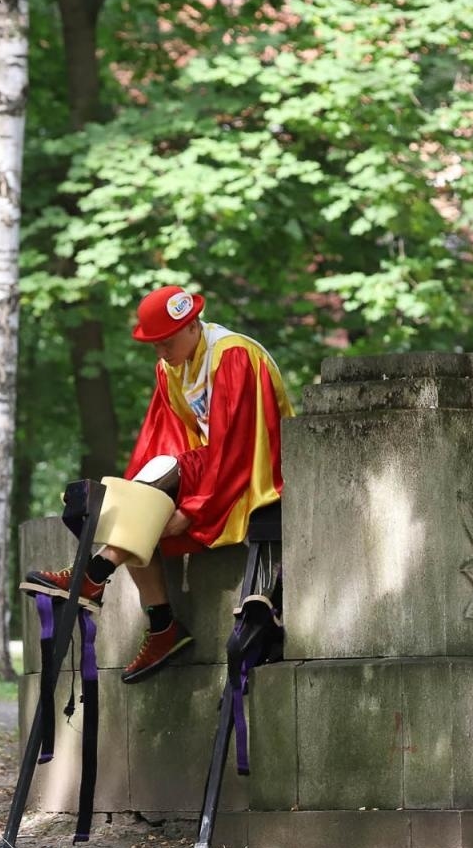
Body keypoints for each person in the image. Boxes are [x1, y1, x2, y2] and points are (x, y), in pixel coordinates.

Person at [21, 284, 294, 683]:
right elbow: (163, 437)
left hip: (257, 466)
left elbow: (241, 442)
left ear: (192, 326)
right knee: (138, 507)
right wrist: (143, 501)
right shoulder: (171, 366)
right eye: (155, 346)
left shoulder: (233, 356)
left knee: (147, 498)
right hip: (208, 466)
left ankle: (95, 576)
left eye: (166, 342)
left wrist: (194, 507)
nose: (161, 352)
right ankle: (161, 623)